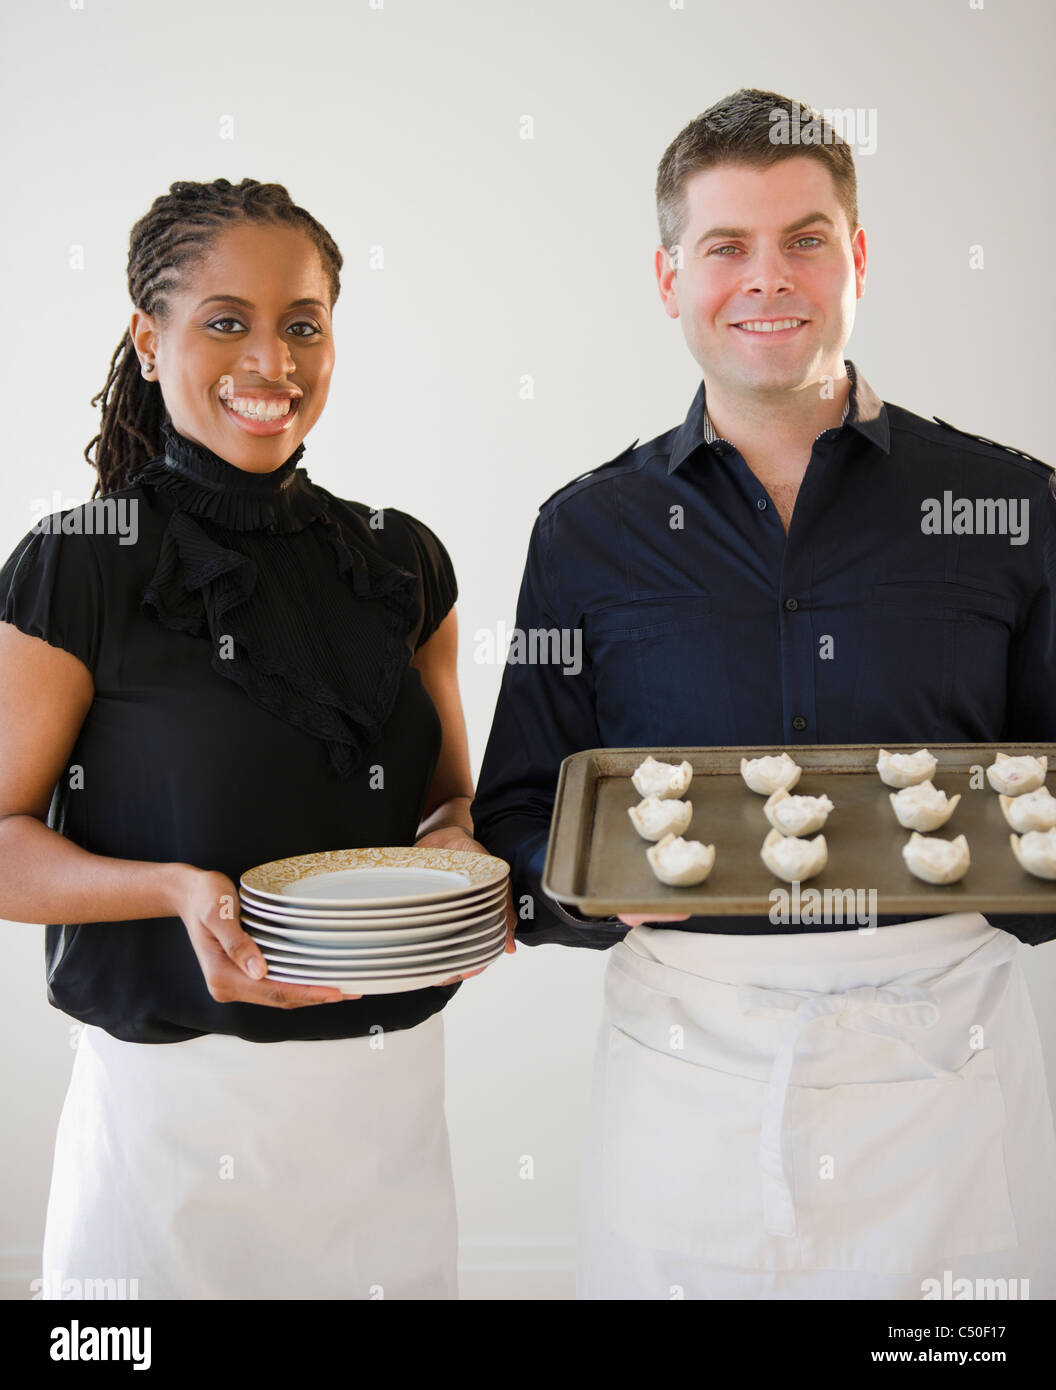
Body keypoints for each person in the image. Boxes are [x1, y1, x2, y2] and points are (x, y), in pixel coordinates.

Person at [471, 89, 1056, 1299]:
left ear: (857, 258)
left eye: (804, 237)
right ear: (668, 274)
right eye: (725, 245)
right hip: (684, 1074)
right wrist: (598, 898)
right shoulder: (588, 534)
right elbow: (521, 813)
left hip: (945, 1069)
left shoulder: (1013, 508)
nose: (767, 278)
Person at [0, 177, 512, 1301]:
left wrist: (468, 864)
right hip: (167, 1123)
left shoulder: (402, 561)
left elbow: (449, 808)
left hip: (385, 1113)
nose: (271, 360)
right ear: (150, 338)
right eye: (226, 320)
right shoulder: (79, 562)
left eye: (303, 322)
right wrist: (178, 891)